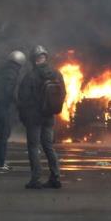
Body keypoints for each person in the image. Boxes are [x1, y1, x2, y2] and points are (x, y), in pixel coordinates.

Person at [18, 45, 66, 189]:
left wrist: (23, 116)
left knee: (33, 147)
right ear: (46, 57)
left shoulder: (30, 76)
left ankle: (35, 179)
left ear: (33, 60)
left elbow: (23, 99)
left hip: (34, 117)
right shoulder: (57, 73)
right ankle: (55, 178)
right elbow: (63, 94)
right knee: (49, 146)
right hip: (49, 115)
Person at [0, 51, 26, 172]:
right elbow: (8, 91)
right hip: (1, 106)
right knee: (4, 133)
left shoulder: (3, 69)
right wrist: (17, 102)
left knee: (4, 133)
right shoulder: (11, 73)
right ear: (20, 62)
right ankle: (0, 162)